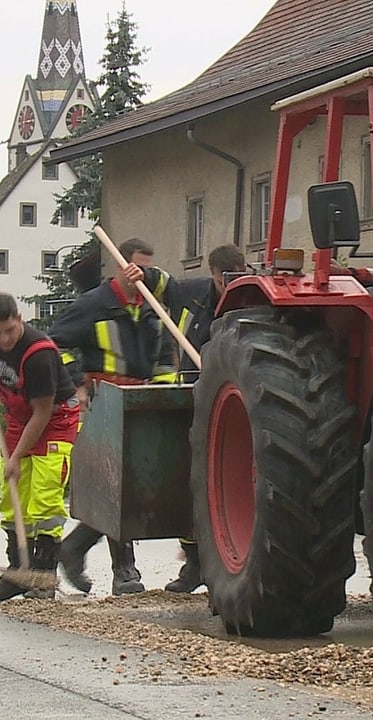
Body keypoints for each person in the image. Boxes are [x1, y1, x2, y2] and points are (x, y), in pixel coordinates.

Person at [49, 237, 177, 595]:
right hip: (103, 401)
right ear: (121, 265)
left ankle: (73, 549)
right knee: (115, 484)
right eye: (137, 267)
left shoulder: (151, 307)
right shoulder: (94, 305)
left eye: (147, 269)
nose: (141, 275)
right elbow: (54, 344)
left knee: (132, 486)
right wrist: (76, 383)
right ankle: (126, 572)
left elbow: (164, 355)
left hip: (141, 401)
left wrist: (163, 391)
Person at [141, 243, 246, 592]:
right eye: (222, 280)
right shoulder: (197, 293)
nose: (226, 287)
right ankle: (194, 565)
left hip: (232, 404)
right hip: (193, 397)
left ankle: (225, 563)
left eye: (232, 279)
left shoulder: (246, 300)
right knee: (190, 482)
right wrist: (140, 274)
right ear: (214, 275)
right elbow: (165, 286)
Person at [0, 293, 80, 603]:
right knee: (13, 497)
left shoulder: (39, 355)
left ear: (19, 319)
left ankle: (43, 577)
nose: (4, 339)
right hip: (19, 420)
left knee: (44, 500)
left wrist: (17, 456)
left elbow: (43, 412)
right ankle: (17, 572)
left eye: (10, 329)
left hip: (54, 421)